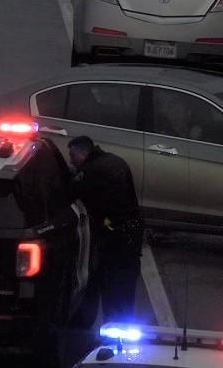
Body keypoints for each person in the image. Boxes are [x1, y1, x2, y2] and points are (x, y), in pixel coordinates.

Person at [67, 135, 144, 323]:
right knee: (124, 291)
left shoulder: (92, 171)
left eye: (72, 156)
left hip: (113, 238)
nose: (71, 161)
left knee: (105, 285)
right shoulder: (115, 161)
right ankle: (121, 326)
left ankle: (90, 335)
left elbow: (69, 193)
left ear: (80, 151)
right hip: (131, 235)